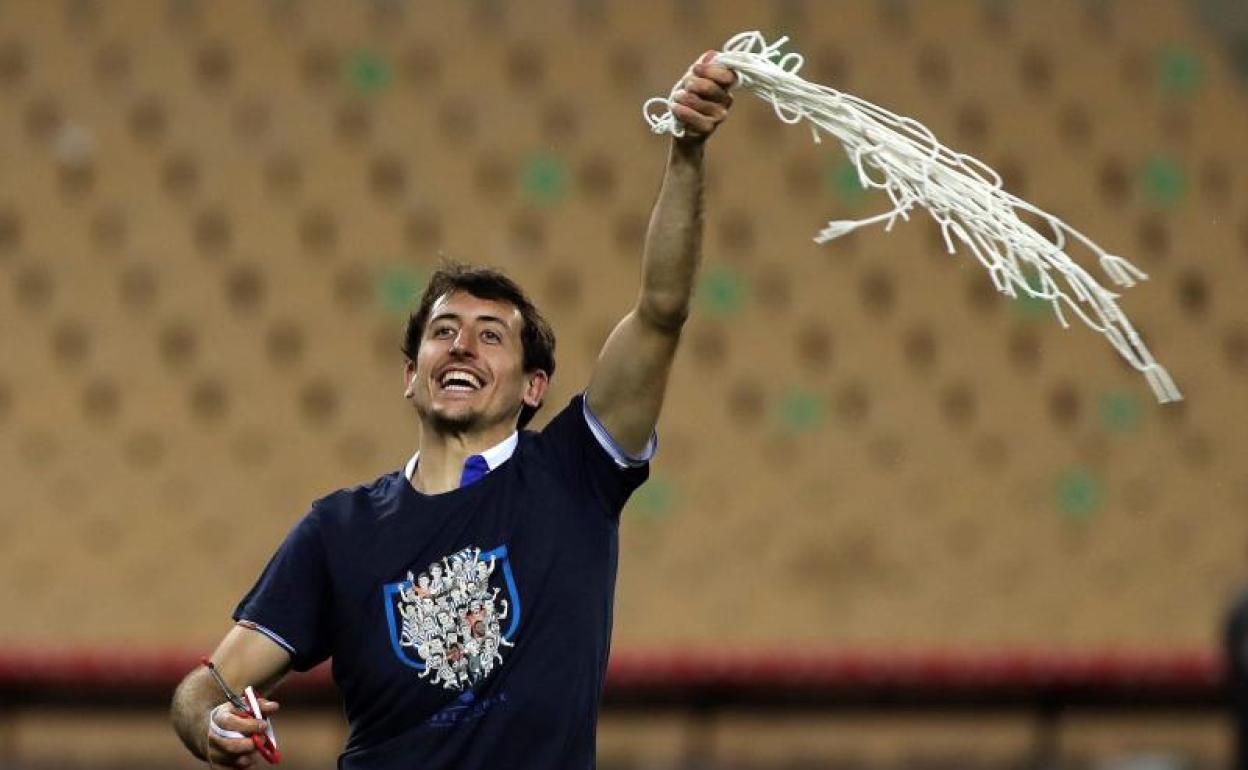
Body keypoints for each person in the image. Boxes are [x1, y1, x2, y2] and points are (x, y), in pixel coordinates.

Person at [171, 50, 737, 769]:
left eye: (491, 336)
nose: (462, 346)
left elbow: (661, 310)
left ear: (534, 387)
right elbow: (204, 687)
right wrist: (209, 722)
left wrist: (687, 150)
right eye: (444, 332)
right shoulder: (339, 530)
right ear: (412, 376)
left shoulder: (575, 473)